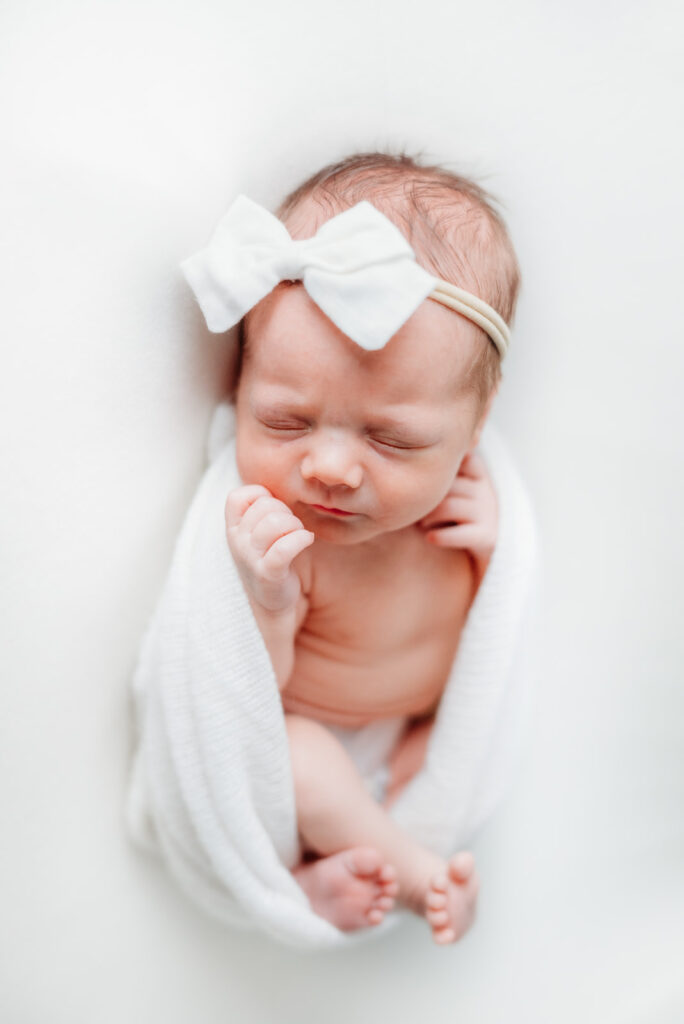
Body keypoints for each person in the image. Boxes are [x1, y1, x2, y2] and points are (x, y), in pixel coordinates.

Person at [189, 150, 521, 944]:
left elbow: (501, 615)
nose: (330, 469)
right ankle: (400, 873)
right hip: (323, 729)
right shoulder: (284, 536)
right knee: (298, 761)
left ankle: (349, 860)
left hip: (419, 726)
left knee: (440, 755)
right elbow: (248, 690)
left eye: (393, 439)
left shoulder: (469, 494)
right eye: (284, 422)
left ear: (475, 427)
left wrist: (495, 548)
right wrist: (266, 596)